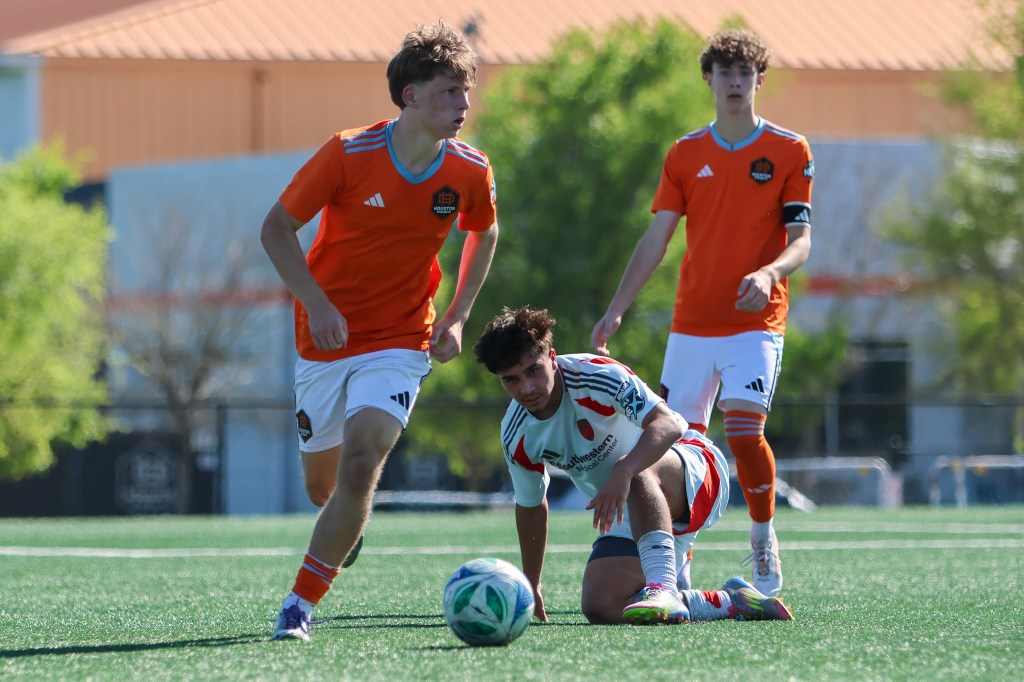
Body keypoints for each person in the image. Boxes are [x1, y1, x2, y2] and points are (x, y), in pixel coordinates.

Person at [261, 21, 500, 642]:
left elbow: (485, 231)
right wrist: (316, 303)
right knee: (325, 486)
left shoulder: (471, 171)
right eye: (450, 92)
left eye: (466, 92)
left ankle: (299, 605)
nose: (463, 105)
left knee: (364, 460)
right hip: (327, 337)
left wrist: (456, 315)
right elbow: (275, 231)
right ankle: (347, 521)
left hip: (400, 337)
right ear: (411, 96)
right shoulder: (348, 153)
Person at [591, 29, 813, 597]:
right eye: (724, 72)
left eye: (745, 73)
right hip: (691, 324)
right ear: (709, 80)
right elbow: (656, 238)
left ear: (759, 80)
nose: (735, 82)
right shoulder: (686, 153)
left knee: (742, 432)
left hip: (755, 323)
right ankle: (678, 556)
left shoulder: (790, 150)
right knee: (673, 442)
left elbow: (802, 239)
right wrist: (617, 308)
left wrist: (769, 274)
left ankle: (762, 536)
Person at [474, 306, 793, 625]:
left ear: (552, 357)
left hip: (695, 471)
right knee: (601, 605)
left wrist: (624, 470)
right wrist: (533, 583)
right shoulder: (516, 433)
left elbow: (668, 424)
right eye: (511, 380)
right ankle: (732, 601)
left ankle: (662, 587)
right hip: (635, 508)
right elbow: (531, 506)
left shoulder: (594, 375)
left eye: (533, 371)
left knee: (638, 468)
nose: (526, 388)